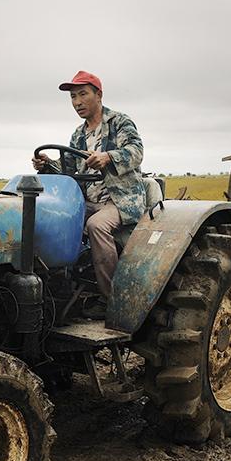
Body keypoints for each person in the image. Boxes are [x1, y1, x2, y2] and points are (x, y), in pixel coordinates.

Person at [32, 70, 145, 310]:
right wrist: (48, 164)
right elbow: (69, 168)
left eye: (83, 94)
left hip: (120, 200)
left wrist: (108, 157)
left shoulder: (119, 122)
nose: (77, 102)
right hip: (88, 201)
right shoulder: (78, 135)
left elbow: (136, 151)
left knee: (97, 225)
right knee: (48, 219)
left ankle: (111, 298)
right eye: (73, 97)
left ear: (99, 94)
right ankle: (54, 290)